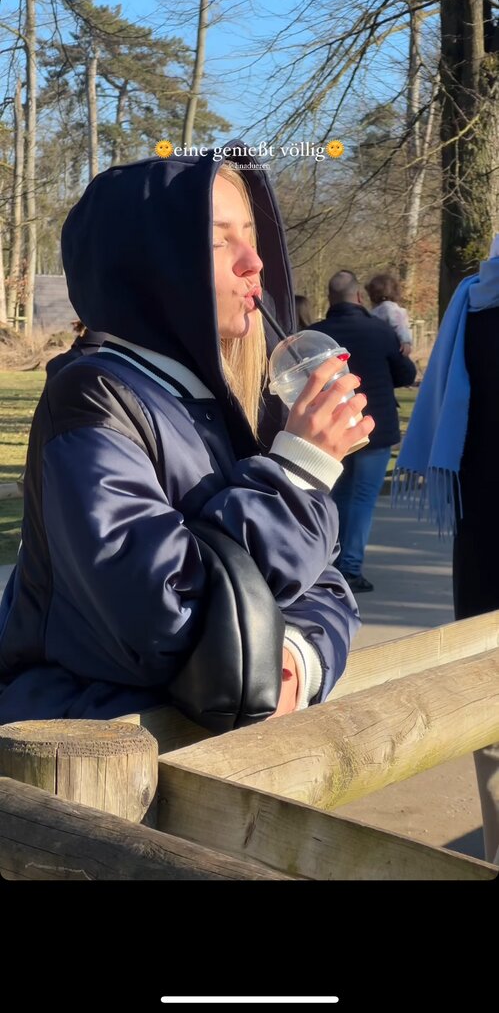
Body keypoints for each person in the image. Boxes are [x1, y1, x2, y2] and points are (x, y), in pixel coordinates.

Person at [0, 145, 374, 729]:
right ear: (150, 265)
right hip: (93, 744)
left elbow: (325, 582)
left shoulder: (225, 400)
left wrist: (297, 658)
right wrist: (299, 473)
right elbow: (162, 614)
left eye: (251, 235)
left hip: (205, 746)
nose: (254, 262)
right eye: (220, 241)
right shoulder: (93, 396)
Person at [393, 235, 499, 864]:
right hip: (483, 533)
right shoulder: (473, 301)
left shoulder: (474, 300)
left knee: (492, 708)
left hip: (482, 532)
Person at [309, 269, 416, 593]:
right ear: (358, 297)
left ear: (330, 299)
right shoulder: (380, 330)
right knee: (364, 498)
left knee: (337, 496)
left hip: (334, 428)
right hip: (374, 426)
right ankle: (351, 568)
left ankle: (330, 563)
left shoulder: (316, 335)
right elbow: (405, 374)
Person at [366, 273, 413, 355]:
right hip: (391, 350)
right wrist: (406, 341)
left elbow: (399, 325)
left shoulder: (383, 310)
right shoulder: (394, 309)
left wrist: (405, 342)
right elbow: (401, 325)